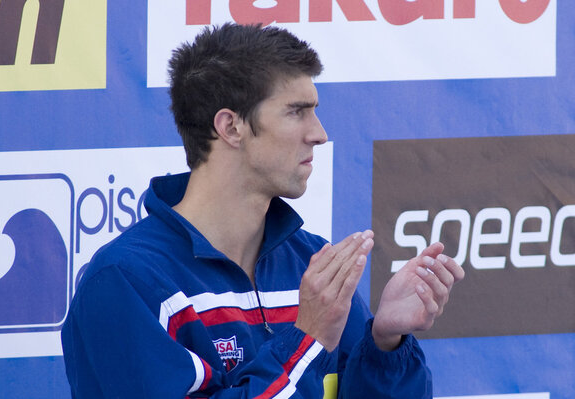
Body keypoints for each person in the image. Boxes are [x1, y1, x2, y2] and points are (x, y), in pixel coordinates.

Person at [61, 23, 464, 398]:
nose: (319, 134)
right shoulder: (124, 282)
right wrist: (306, 339)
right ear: (231, 127)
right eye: (296, 111)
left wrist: (385, 342)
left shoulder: (309, 263)